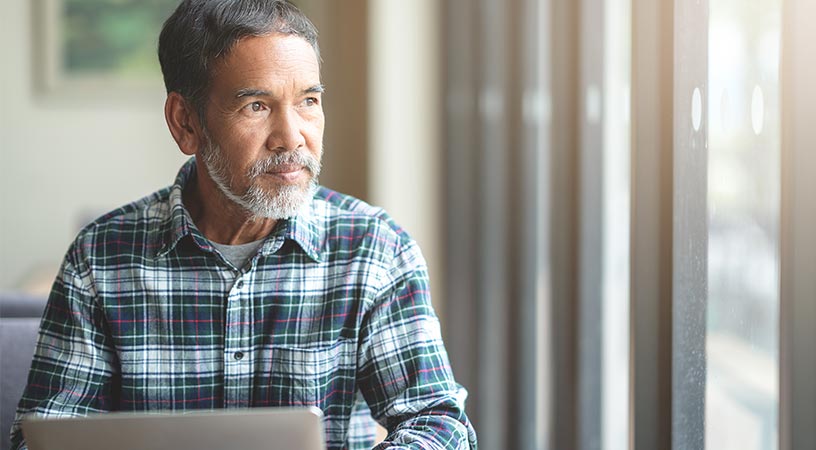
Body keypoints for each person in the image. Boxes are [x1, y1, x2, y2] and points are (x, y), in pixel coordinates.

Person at [10, 1, 476, 449]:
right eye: (257, 106)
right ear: (184, 122)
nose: (292, 136)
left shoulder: (375, 249)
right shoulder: (100, 258)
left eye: (308, 101)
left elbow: (438, 425)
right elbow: (43, 438)